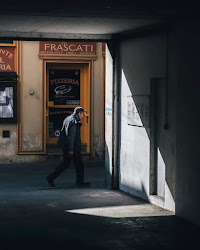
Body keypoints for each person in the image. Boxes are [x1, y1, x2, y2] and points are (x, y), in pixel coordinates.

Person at [46, 107, 90, 187]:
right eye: (82, 114)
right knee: (78, 164)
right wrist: (71, 149)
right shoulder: (74, 122)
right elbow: (71, 137)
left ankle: (51, 177)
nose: (83, 116)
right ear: (78, 114)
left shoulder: (68, 118)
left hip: (66, 145)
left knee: (67, 164)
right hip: (72, 147)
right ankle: (80, 181)